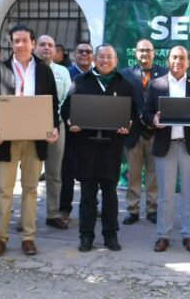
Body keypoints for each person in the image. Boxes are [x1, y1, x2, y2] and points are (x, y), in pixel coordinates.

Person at [0, 24, 61, 258]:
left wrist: (53, 126)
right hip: (6, 138)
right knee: (3, 189)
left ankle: (28, 237)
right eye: (16, 40)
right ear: (11, 43)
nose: (21, 44)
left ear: (33, 43)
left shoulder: (44, 70)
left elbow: (52, 103)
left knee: (31, 189)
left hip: (35, 138)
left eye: (25, 40)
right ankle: (0, 237)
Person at [61, 45, 137, 252]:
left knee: (110, 194)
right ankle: (86, 236)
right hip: (86, 147)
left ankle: (110, 235)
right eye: (101, 56)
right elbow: (66, 108)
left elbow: (134, 113)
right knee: (87, 195)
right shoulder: (80, 82)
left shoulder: (124, 84)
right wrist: (70, 122)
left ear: (116, 60)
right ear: (95, 58)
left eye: (109, 57)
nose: (105, 60)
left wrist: (128, 125)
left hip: (112, 148)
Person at [143, 46, 190, 253]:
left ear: (188, 62)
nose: (177, 61)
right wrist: (153, 120)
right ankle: (163, 235)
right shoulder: (157, 84)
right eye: (174, 57)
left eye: (182, 58)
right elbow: (146, 112)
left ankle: (189, 234)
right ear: (168, 60)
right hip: (166, 145)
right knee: (165, 194)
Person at [123, 39, 167, 225]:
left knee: (153, 173)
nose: (144, 54)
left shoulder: (164, 73)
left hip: (156, 132)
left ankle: (152, 209)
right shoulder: (125, 74)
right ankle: (132, 210)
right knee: (133, 174)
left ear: (154, 53)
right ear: (135, 53)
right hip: (133, 133)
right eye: (141, 51)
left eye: (148, 51)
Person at [36, 34, 72, 230]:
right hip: (30, 125)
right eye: (42, 45)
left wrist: (55, 123)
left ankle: (53, 213)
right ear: (35, 47)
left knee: (54, 172)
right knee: (30, 173)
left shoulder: (62, 72)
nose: (47, 48)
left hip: (55, 125)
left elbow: (66, 99)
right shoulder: (28, 70)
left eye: (50, 45)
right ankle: (27, 215)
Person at [58, 41, 94, 224]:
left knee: (91, 173)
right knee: (68, 172)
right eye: (81, 52)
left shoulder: (98, 76)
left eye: (88, 52)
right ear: (74, 55)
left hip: (92, 133)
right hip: (71, 131)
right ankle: (65, 208)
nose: (85, 55)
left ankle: (91, 207)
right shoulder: (67, 74)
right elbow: (64, 102)